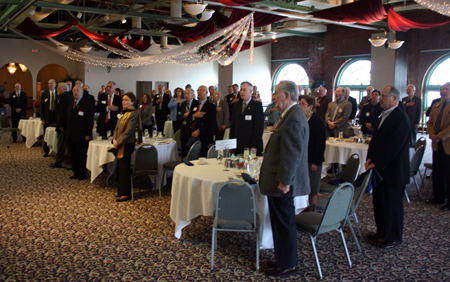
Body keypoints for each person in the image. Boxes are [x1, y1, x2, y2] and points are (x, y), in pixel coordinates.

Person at [259, 80, 310, 277]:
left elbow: (292, 153)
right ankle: (282, 258)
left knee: (285, 223)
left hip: (282, 183)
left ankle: (287, 263)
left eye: (276, 93)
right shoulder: (289, 114)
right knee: (280, 223)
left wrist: (285, 180)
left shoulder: (294, 117)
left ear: (287, 96)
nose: (273, 97)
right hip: (279, 179)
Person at [365, 86, 410, 249]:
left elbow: (393, 147)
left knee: (392, 204)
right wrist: (369, 159)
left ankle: (394, 236)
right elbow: (375, 140)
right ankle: (382, 231)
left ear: (395, 99)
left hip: (393, 169)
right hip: (379, 167)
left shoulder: (400, 118)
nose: (381, 98)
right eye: (381, 96)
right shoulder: (383, 114)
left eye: (384, 96)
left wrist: (376, 163)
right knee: (380, 201)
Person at [113, 92, 142, 202]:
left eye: (126, 100)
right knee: (120, 169)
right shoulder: (122, 113)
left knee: (124, 169)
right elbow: (116, 127)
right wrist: (114, 139)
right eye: (123, 100)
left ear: (132, 102)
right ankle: (121, 191)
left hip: (127, 144)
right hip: (120, 143)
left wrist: (118, 142)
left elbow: (129, 131)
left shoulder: (133, 113)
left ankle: (126, 193)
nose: (123, 102)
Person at [299, 95, 326, 212]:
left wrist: (316, 162)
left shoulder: (317, 121)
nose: (300, 106)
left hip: (313, 160)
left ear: (310, 106)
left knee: (313, 187)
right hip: (303, 159)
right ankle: (302, 208)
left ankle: (311, 210)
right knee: (303, 185)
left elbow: (320, 144)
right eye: (299, 103)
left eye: (303, 104)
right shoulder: (301, 119)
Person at [426, 82, 450, 210]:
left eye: (446, 89)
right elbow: (429, 123)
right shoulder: (436, 105)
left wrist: (439, 136)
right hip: (436, 144)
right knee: (438, 171)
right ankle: (438, 197)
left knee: (448, 173)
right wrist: (432, 134)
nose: (443, 91)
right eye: (442, 89)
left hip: (447, 143)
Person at [230, 81, 264, 156]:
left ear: (251, 91)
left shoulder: (257, 106)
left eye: (244, 90)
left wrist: (254, 146)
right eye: (241, 90)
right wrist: (231, 143)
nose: (242, 92)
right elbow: (233, 125)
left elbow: (258, 128)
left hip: (250, 144)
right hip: (238, 144)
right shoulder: (237, 105)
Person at [67, 85, 94, 181]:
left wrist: (88, 134)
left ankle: (82, 173)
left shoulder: (86, 103)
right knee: (73, 155)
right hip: (71, 134)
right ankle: (75, 172)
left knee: (81, 155)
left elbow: (90, 120)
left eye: (77, 90)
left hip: (81, 135)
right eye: (74, 90)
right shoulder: (71, 102)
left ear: (82, 92)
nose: (75, 92)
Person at [185, 85, 216, 157]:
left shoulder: (211, 106)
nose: (199, 92)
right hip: (192, 134)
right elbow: (189, 117)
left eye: (202, 90)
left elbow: (211, 123)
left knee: (201, 156)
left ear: (206, 92)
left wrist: (199, 131)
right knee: (191, 156)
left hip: (203, 136)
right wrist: (194, 115)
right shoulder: (195, 104)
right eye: (198, 90)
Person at [50, 82, 71, 168]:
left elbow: (62, 113)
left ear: (64, 89)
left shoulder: (64, 97)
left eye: (58, 88)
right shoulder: (68, 96)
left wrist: (61, 125)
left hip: (63, 125)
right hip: (66, 125)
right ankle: (66, 160)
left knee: (61, 144)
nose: (57, 89)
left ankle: (59, 161)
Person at [178, 89, 199, 157]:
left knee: (191, 149)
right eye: (185, 94)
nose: (186, 95)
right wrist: (184, 115)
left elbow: (196, 114)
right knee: (184, 148)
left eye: (188, 94)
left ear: (193, 95)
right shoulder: (183, 104)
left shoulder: (197, 103)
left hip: (193, 128)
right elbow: (179, 116)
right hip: (184, 128)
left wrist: (189, 114)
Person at [40, 79, 58, 157]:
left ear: (55, 85)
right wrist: (42, 119)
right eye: (49, 83)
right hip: (48, 116)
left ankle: (55, 149)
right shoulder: (45, 94)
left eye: (51, 83)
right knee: (46, 133)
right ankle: (46, 150)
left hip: (56, 116)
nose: (50, 85)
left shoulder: (58, 93)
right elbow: (41, 107)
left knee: (56, 133)